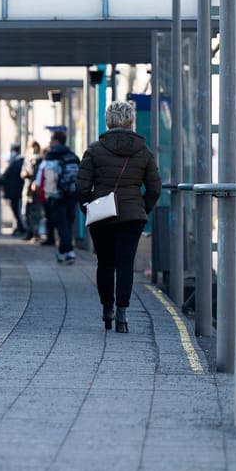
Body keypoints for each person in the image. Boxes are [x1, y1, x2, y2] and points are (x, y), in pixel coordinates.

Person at [78, 100, 161, 334]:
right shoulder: (143, 151)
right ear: (130, 120)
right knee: (125, 264)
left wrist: (88, 208)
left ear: (108, 121)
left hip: (102, 215)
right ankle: (122, 316)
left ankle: (107, 309)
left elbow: (82, 186)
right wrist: (141, 208)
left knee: (105, 263)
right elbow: (155, 188)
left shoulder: (94, 149)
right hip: (132, 216)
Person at [38, 129, 82, 264]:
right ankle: (63, 252)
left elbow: (50, 177)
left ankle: (69, 252)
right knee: (67, 223)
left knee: (61, 225)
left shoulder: (52, 156)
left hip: (57, 195)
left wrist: (48, 194)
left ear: (56, 141)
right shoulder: (72, 155)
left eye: (51, 140)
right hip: (72, 193)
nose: (49, 143)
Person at [0, 144, 26, 236]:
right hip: (13, 191)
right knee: (15, 209)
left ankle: (22, 228)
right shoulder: (13, 162)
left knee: (17, 209)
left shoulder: (19, 162)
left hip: (16, 191)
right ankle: (20, 227)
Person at [21, 141, 44, 241]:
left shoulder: (41, 160)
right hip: (27, 189)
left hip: (37, 190)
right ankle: (29, 232)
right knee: (26, 212)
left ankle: (36, 233)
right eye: (31, 147)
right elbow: (22, 173)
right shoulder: (27, 160)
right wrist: (24, 174)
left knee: (36, 213)